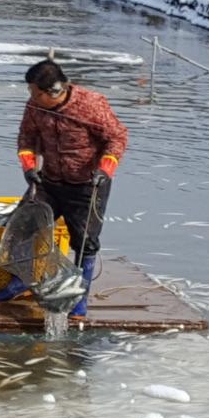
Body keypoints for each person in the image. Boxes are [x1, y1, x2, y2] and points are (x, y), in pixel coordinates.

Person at [15, 56, 127, 318]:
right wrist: (29, 168)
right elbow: (26, 138)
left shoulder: (92, 104)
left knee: (85, 242)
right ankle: (19, 282)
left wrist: (105, 170)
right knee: (23, 226)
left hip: (87, 185)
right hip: (49, 181)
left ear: (53, 92)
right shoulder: (34, 107)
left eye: (34, 91)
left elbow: (117, 138)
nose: (30, 96)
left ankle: (79, 299)